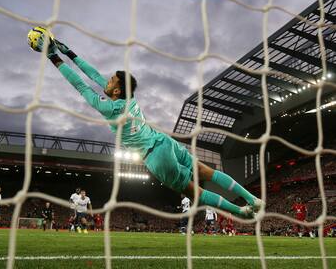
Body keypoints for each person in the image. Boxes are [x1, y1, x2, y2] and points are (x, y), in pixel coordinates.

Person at [28, 27, 263, 217]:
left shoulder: (109, 108)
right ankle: (252, 199)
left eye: (110, 80)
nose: (106, 80)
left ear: (117, 88)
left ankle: (240, 213)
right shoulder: (128, 98)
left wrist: (53, 58)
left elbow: (81, 85)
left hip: (155, 157)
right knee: (205, 170)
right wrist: (69, 52)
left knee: (195, 191)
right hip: (163, 140)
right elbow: (92, 74)